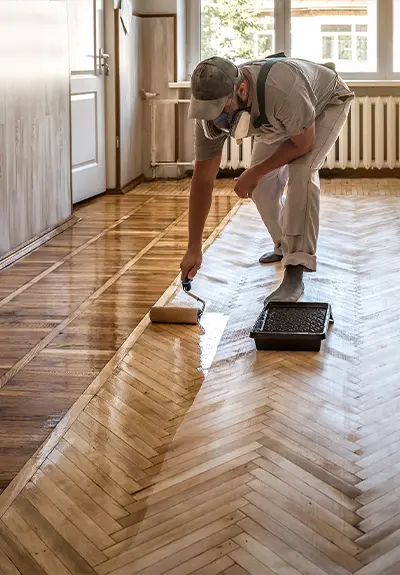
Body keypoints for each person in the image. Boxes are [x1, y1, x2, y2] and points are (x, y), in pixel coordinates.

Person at [180, 54, 354, 302]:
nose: (216, 119)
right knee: (260, 187)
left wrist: (254, 171)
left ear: (241, 89)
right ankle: (284, 245)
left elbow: (302, 145)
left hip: (326, 102)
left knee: (302, 172)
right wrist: (193, 247)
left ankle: (296, 271)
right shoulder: (208, 111)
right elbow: (203, 180)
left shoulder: (281, 88)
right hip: (279, 116)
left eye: (221, 110)